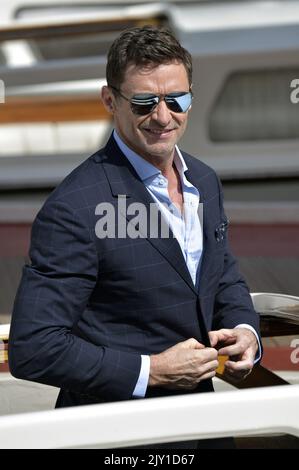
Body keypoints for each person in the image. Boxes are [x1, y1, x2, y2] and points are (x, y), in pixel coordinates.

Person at [9, 26, 261, 449]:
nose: (163, 117)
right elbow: (34, 347)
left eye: (177, 99)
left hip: (207, 428)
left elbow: (223, 276)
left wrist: (245, 332)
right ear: (110, 101)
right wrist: (152, 370)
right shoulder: (76, 206)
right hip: (117, 439)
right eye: (144, 102)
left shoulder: (204, 180)